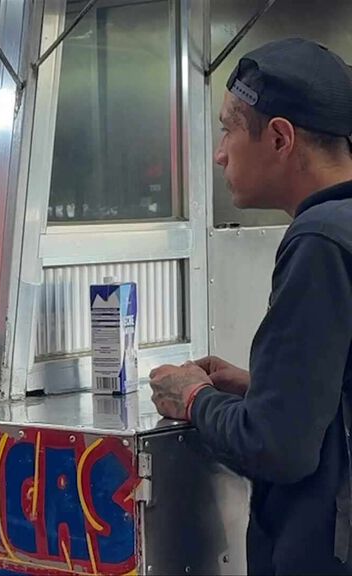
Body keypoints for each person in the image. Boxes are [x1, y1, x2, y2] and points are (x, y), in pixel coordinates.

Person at [149, 38, 352, 574]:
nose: (220, 154)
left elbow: (276, 447)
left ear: (280, 138)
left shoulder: (320, 242)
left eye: (229, 130)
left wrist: (193, 398)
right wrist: (263, 388)